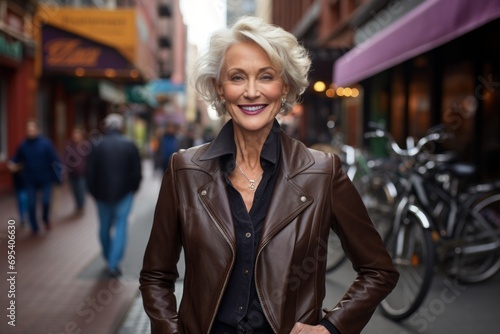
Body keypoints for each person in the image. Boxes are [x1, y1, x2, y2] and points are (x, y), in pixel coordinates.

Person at [139, 16, 398, 334]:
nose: (251, 92)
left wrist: (332, 327)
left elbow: (378, 270)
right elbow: (156, 276)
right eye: (237, 77)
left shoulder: (322, 173)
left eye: (265, 77)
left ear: (284, 86)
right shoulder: (184, 171)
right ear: (220, 88)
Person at [86, 113, 142, 277]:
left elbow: (90, 173)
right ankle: (113, 262)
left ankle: (108, 257)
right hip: (124, 193)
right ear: (119, 126)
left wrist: (94, 192)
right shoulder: (129, 144)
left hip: (102, 195)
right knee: (121, 227)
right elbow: (136, 171)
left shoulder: (96, 145)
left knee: (104, 227)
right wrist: (134, 188)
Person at [11, 120, 62, 235]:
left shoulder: (45, 144)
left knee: (45, 202)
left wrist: (58, 177)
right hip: (30, 180)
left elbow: (54, 160)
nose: (31, 132)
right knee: (31, 204)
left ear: (37, 130)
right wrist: (12, 163)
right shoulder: (23, 145)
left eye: (33, 129)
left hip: (45, 179)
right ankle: (34, 227)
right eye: (29, 130)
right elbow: (16, 158)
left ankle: (45, 218)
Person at [63, 127, 87, 215]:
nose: (76, 136)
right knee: (75, 190)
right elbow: (65, 159)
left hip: (82, 173)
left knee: (81, 189)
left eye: (77, 134)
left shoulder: (85, 146)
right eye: (74, 134)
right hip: (72, 173)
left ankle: (81, 206)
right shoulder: (69, 146)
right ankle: (78, 205)